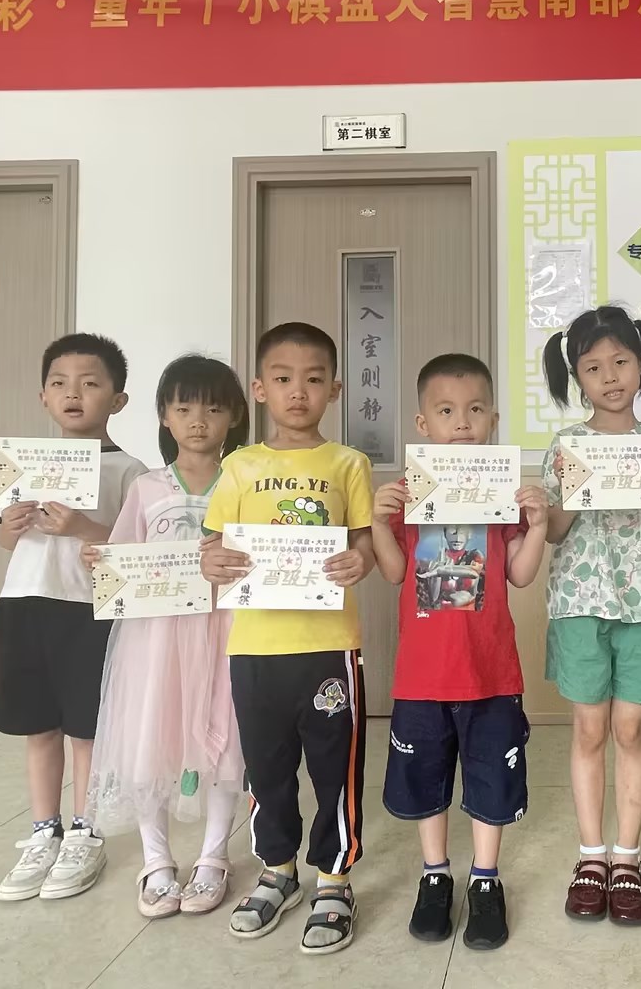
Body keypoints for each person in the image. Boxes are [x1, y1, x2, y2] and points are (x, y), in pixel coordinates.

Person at [199, 322, 376, 955]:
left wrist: (360, 559)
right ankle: (278, 870)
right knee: (266, 767)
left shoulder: (348, 463)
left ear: (335, 389)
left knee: (335, 767)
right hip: (254, 648)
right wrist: (210, 561)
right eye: (282, 379)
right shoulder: (239, 466)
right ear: (260, 389)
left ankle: (334, 879)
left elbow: (364, 542)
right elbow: (214, 546)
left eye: (313, 379)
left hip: (329, 645)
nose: (297, 391)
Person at [371, 354, 549, 950]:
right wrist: (379, 524)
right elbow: (395, 572)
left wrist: (537, 526)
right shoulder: (410, 497)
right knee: (425, 777)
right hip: (422, 676)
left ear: (493, 419)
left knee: (491, 780)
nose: (463, 422)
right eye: (446, 411)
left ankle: (486, 880)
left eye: (475, 410)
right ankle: (435, 875)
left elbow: (520, 574)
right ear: (424, 424)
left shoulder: (500, 495)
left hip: (491, 672)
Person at [82, 355, 251, 919]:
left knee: (224, 739)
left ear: (235, 416)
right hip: (155, 639)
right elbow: (122, 558)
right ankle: (156, 861)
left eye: (213, 408)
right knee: (151, 737)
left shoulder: (245, 482)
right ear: (164, 415)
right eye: (184, 408)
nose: (198, 420)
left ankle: (213, 856)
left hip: (227, 629)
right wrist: (100, 561)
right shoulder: (147, 487)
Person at [0, 333, 148, 902]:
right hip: (23, 602)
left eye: (90, 383)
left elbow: (135, 549)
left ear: (118, 399)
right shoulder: (23, 464)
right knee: (39, 725)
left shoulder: (131, 471)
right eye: (59, 383)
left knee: (87, 727)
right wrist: (10, 529)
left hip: (89, 609)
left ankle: (85, 830)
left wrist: (82, 528)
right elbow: (7, 540)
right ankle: (43, 830)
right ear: (43, 397)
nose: (73, 393)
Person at [540, 305, 641, 926]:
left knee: (630, 729)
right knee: (590, 730)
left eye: (620, 362)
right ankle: (591, 856)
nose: (610, 376)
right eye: (593, 367)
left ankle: (628, 857)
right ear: (577, 376)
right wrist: (576, 486)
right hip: (579, 601)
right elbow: (554, 531)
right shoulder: (566, 445)